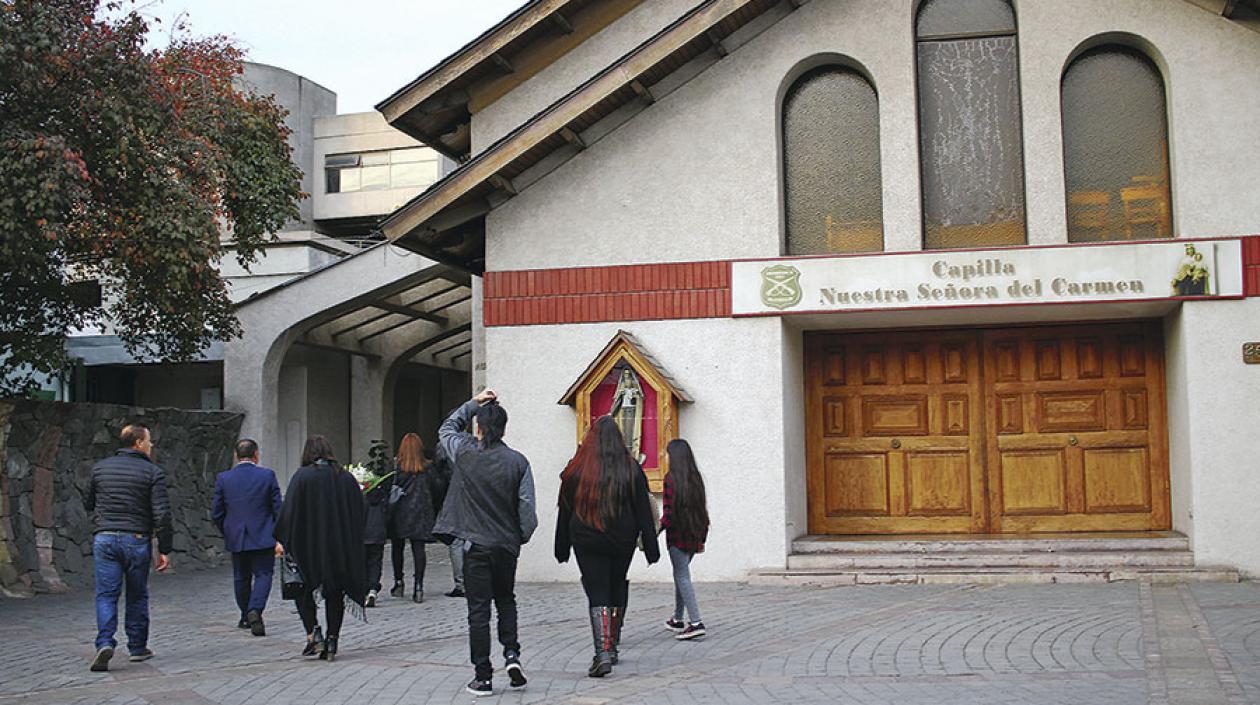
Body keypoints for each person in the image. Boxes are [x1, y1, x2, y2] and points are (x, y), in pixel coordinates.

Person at [434, 389, 537, 697]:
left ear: (478, 427)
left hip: (475, 546)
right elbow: (527, 508)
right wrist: (520, 536)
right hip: (505, 546)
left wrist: (474, 402)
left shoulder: (465, 453)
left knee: (478, 610)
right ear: (504, 428)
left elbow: (446, 429)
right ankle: (512, 655)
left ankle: (483, 676)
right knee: (506, 599)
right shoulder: (518, 462)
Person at [555, 416, 659, 678]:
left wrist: (561, 545)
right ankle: (612, 644)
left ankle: (602, 652)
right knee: (616, 584)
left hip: (586, 538)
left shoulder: (577, 469)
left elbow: (564, 511)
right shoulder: (630, 468)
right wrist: (651, 544)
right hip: (622, 539)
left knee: (596, 589)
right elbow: (643, 510)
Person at [85, 423, 172, 672]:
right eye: (149, 440)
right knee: (136, 594)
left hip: (105, 537)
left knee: (106, 594)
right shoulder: (152, 472)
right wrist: (165, 548)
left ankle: (104, 642)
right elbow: (162, 514)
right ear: (137, 443)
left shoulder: (100, 468)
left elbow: (88, 502)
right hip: (136, 538)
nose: (151, 444)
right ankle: (136, 647)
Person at [274, 435, 368, 662]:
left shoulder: (302, 477)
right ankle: (333, 638)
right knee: (335, 592)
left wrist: (282, 539)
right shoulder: (345, 478)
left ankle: (313, 631)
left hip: (307, 545)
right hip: (339, 545)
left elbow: (289, 511)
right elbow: (360, 510)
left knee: (303, 588)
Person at [211, 438, 282, 636]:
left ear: (235, 455)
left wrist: (227, 529)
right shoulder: (267, 476)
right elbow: (278, 508)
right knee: (264, 574)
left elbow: (216, 511)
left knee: (241, 577)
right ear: (256, 455)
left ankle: (245, 615)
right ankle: (255, 609)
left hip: (236, 535)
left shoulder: (224, 478)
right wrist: (278, 534)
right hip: (263, 533)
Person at [659, 439, 710, 640]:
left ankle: (696, 622)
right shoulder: (696, 478)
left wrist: (657, 528)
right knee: (681, 574)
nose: (667, 457)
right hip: (694, 535)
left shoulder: (670, 479)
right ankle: (678, 618)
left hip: (677, 536)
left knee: (682, 576)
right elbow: (702, 510)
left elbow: (669, 513)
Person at [387, 433, 442, 603]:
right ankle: (419, 586)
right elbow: (437, 489)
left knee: (397, 548)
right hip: (421, 512)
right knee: (419, 549)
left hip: (399, 513)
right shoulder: (428, 468)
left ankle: (398, 581)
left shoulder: (396, 467)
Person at [432, 443, 465, 598]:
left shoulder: (444, 446)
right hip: (474, 495)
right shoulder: (472, 443)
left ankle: (461, 584)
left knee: (457, 541)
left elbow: (438, 475)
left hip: (453, 497)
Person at [362, 455, 394, 608]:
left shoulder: (361, 498)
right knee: (375, 562)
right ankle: (373, 588)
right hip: (378, 534)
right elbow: (388, 514)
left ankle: (363, 589)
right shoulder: (382, 497)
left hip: (363, 535)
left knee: (362, 563)